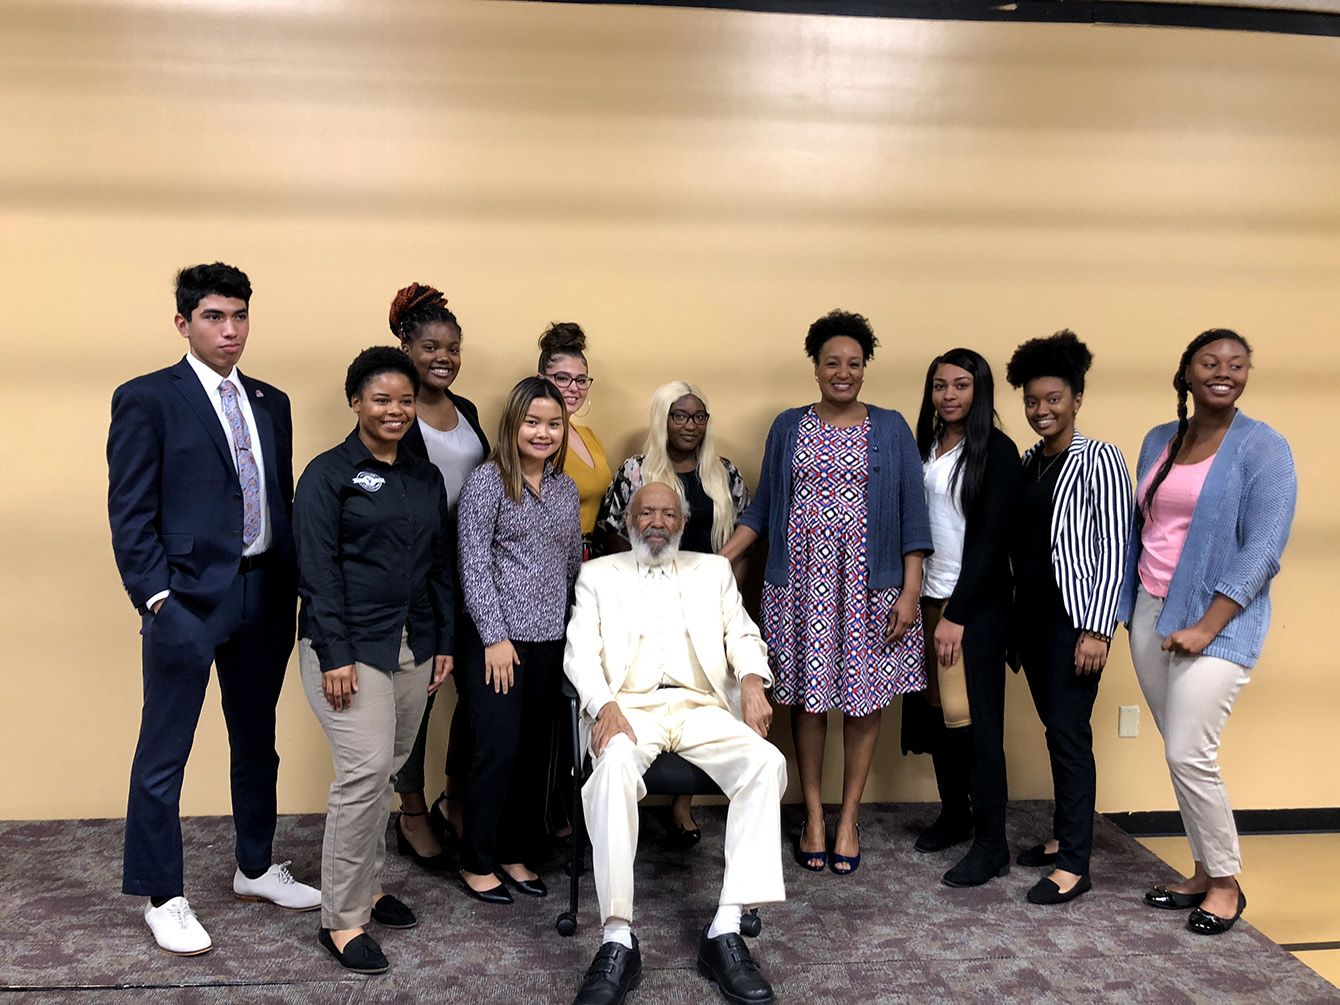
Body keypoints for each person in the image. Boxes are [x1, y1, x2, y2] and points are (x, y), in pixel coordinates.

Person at [107, 262, 319, 956]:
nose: (230, 331)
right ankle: (163, 896)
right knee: (164, 751)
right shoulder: (147, 399)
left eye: (239, 316)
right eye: (214, 317)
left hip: (264, 591)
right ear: (183, 323)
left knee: (257, 737)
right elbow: (130, 509)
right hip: (189, 600)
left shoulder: (270, 399)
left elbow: (276, 499)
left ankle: (255, 866)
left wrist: (291, 580)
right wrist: (156, 595)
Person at [719, 309, 931, 876]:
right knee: (808, 707)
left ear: (865, 369)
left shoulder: (890, 428)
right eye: (832, 362)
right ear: (815, 367)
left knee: (862, 709)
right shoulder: (789, 425)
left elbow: (913, 517)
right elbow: (763, 508)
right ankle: (814, 814)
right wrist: (720, 561)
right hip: (802, 585)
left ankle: (848, 819)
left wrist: (909, 593)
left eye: (853, 364)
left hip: (871, 588)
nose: (843, 372)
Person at [565, 482, 787, 1005]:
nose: (657, 521)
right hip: (628, 707)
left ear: (683, 524)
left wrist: (753, 679)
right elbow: (579, 653)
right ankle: (617, 937)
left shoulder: (712, 571)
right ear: (629, 520)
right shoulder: (598, 574)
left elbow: (743, 635)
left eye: (668, 513)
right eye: (647, 512)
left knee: (765, 763)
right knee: (614, 766)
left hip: (701, 707)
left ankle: (725, 929)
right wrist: (603, 706)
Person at [1119, 329, 1296, 935]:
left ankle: (1224, 885)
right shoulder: (1160, 440)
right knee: (1180, 750)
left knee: (1188, 751)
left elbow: (1264, 550)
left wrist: (1205, 625)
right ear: (1187, 371)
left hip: (1218, 620)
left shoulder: (1265, 449)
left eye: (1237, 364)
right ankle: (1200, 871)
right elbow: (1143, 529)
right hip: (1150, 610)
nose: (1224, 372)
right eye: (1210, 362)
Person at [294, 347, 455, 974]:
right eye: (382, 399)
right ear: (356, 402)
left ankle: (368, 887)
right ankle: (342, 918)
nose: (396, 410)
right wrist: (334, 653)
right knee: (362, 775)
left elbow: (440, 563)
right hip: (350, 648)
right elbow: (317, 571)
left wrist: (443, 641)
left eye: (405, 400)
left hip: (413, 645)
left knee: (386, 769)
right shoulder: (327, 475)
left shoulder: (422, 475)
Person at [1004, 330, 1132, 905]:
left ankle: (1076, 864)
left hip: (1073, 621)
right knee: (1057, 732)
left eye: (1053, 399)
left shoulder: (1098, 458)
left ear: (1076, 398)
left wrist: (1097, 627)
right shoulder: (1031, 463)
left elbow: (1114, 543)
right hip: (1030, 621)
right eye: (1032, 401)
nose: (1041, 410)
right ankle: (1064, 838)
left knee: (1069, 735)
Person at [598, 380, 752, 844]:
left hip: (707, 604)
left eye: (699, 416)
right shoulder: (636, 471)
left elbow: (744, 540)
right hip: (647, 600)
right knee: (651, 687)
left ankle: (683, 803)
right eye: (680, 415)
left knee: (702, 691)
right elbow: (611, 532)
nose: (691, 424)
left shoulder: (724, 473)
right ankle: (628, 793)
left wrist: (726, 593)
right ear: (662, 418)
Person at [456, 377, 583, 903]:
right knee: (497, 751)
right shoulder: (487, 483)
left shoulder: (564, 489)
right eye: (532, 421)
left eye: (553, 424)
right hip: (497, 644)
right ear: (513, 424)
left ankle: (512, 853)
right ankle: (476, 860)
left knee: (535, 755)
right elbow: (473, 563)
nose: (543, 432)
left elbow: (573, 561)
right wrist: (495, 636)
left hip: (550, 640)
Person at [903, 349, 1022, 887]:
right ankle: (955, 814)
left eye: (961, 385)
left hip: (970, 604)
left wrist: (959, 614)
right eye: (939, 386)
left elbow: (994, 540)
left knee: (974, 724)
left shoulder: (996, 450)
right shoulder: (924, 446)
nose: (948, 395)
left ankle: (992, 843)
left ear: (980, 391)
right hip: (923, 596)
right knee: (935, 717)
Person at [384, 283, 490, 869]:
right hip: (418, 572)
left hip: (471, 568)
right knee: (416, 697)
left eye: (451, 347)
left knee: (474, 692)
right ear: (405, 347)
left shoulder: (467, 411)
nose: (442, 356)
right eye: (429, 346)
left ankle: (455, 796)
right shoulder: (396, 411)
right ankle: (413, 810)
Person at [538, 322, 613, 557]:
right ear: (541, 379)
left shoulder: (590, 437)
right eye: (562, 378)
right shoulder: (535, 440)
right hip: (554, 556)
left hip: (595, 556)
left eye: (581, 380)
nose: (574, 388)